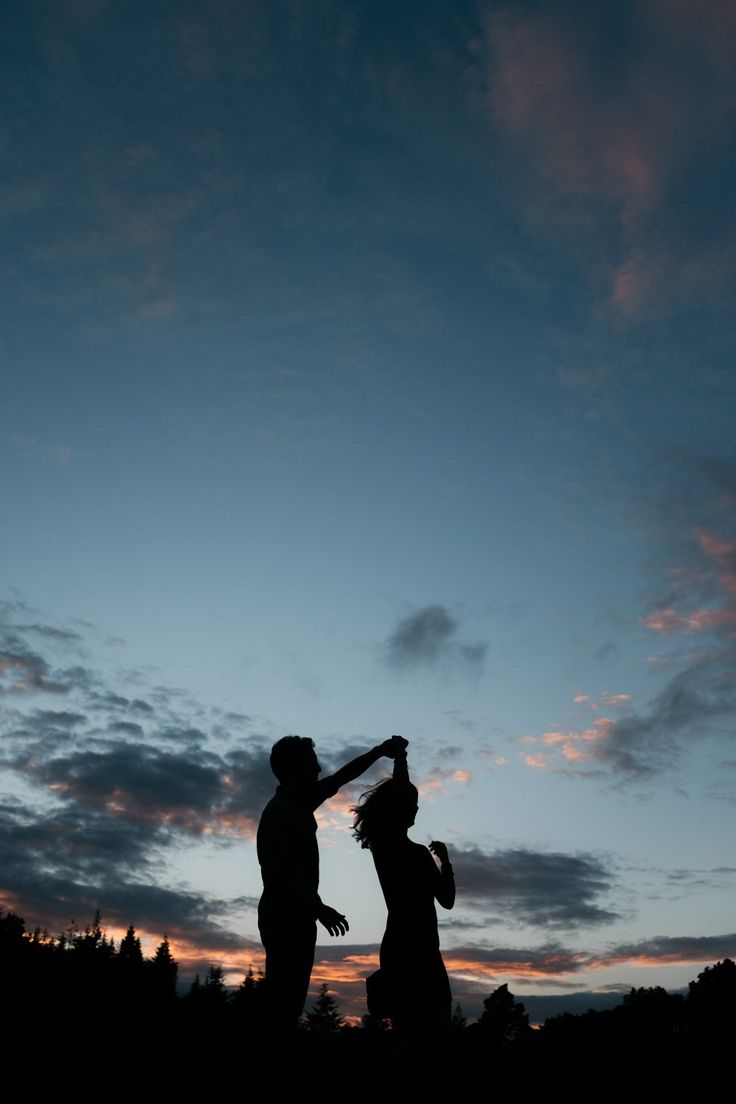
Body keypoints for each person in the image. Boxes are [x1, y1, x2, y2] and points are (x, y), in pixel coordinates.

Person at [256, 732, 407, 1033]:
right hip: (284, 920)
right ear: (295, 768)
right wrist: (319, 908)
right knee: (281, 1010)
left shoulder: (298, 803)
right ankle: (265, 1074)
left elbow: (341, 777)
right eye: (312, 763)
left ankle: (272, 1070)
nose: (318, 770)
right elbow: (279, 877)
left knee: (287, 1008)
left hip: (295, 917)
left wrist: (380, 751)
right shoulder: (282, 812)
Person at [352, 744, 455, 1036]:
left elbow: (446, 901)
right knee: (424, 1034)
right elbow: (447, 900)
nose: (416, 808)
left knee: (418, 1034)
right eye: (410, 804)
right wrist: (401, 760)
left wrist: (445, 863)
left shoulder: (387, 848)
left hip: (411, 949)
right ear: (396, 808)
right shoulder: (397, 849)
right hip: (413, 952)